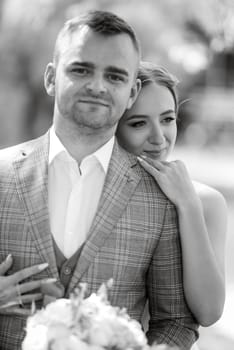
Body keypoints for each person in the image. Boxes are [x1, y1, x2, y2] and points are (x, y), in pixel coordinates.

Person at [0, 11, 198, 349]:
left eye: (115, 76)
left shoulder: (161, 198)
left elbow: (176, 322)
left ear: (132, 91)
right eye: (81, 69)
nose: (97, 86)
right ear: (51, 78)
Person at [116, 61, 227, 337]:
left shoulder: (206, 201)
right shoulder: (95, 194)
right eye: (139, 123)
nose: (159, 138)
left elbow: (209, 311)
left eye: (167, 119)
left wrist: (187, 205)